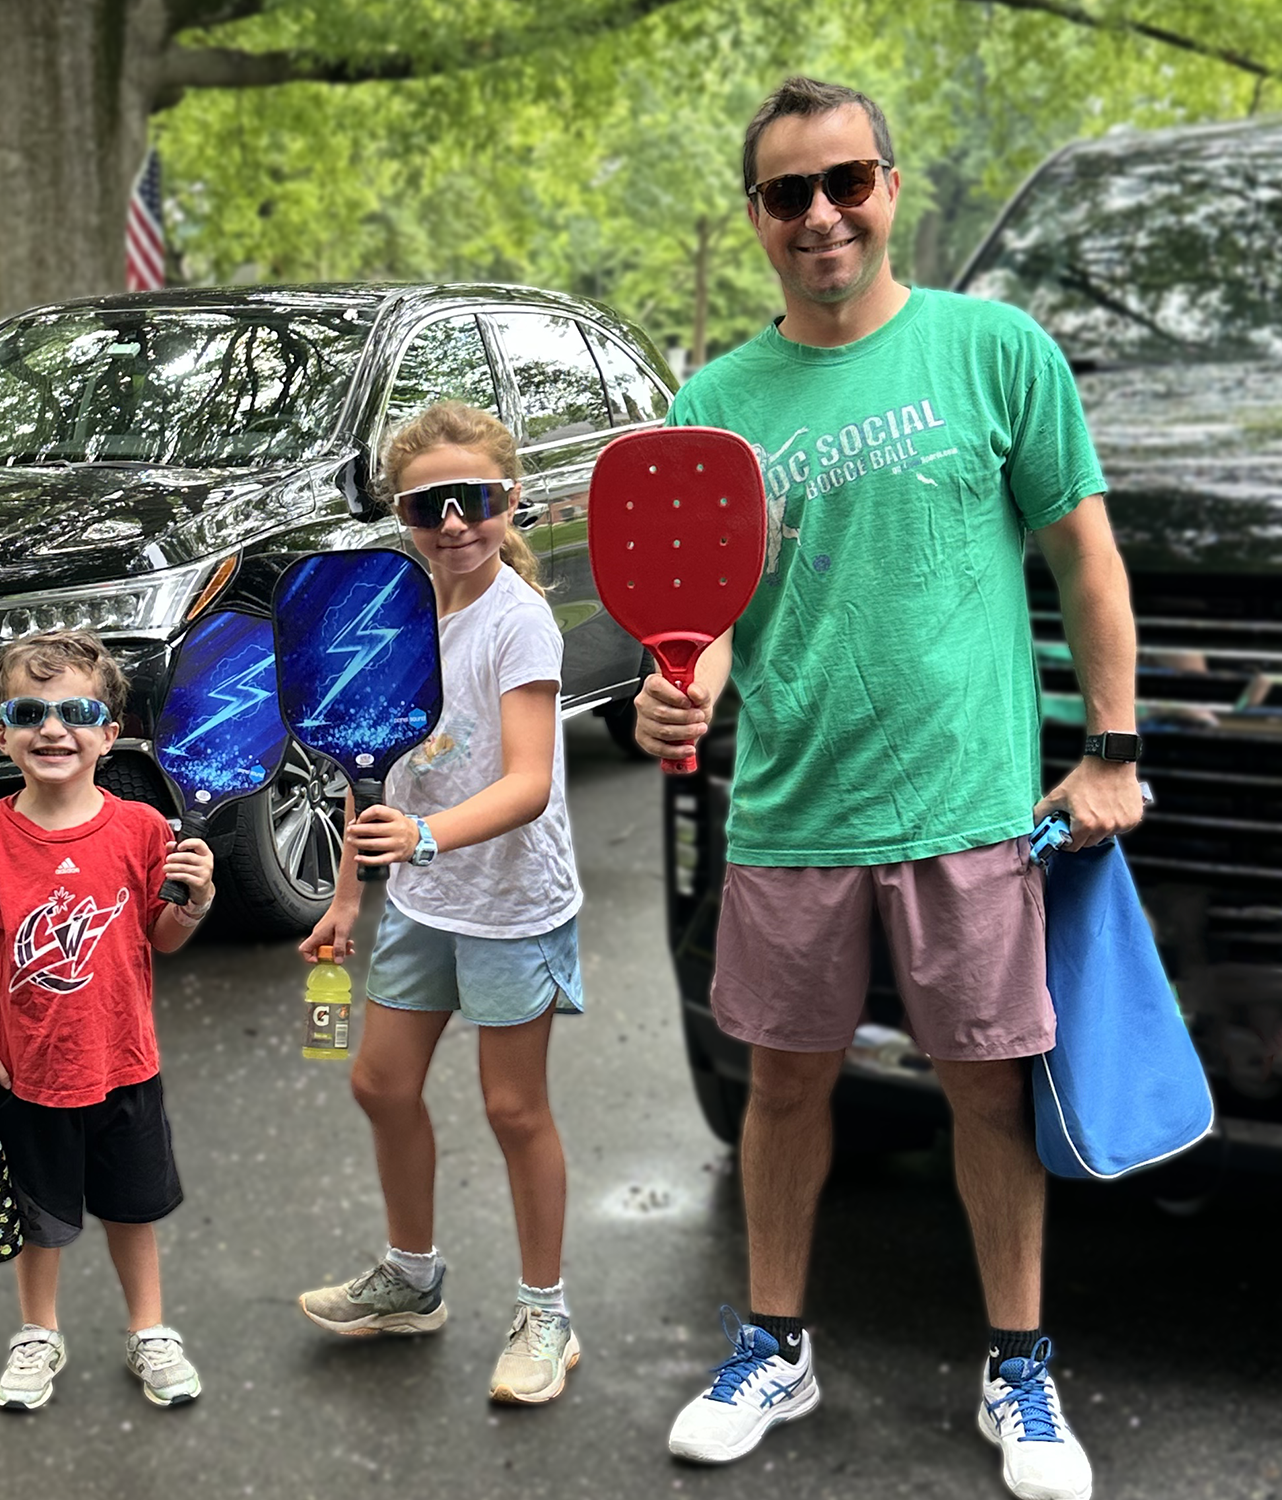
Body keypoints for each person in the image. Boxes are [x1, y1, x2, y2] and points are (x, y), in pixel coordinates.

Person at [637, 77, 1143, 1500]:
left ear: (891, 188)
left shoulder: (994, 352)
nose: (821, 214)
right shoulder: (717, 403)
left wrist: (1111, 748)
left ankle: (1021, 1371)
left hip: (972, 809)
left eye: (845, 180)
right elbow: (710, 610)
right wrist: (693, 684)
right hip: (794, 811)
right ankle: (773, 1345)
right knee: (785, 1089)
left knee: (988, 1097)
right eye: (789, 193)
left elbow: (1084, 557)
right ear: (756, 219)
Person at [296, 400, 584, 1406]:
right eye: (430, 504)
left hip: (511, 903)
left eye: (479, 498)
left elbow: (527, 782)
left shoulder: (518, 619)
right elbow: (361, 770)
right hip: (421, 901)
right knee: (377, 1082)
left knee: (514, 1109)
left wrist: (420, 839)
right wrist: (345, 897)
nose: (456, 521)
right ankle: (412, 1279)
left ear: (511, 502)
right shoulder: (390, 613)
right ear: (401, 514)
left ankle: (546, 1313)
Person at [0, 629, 215, 1412]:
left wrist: (194, 902)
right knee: (38, 1219)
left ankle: (149, 1330)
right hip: (26, 1073)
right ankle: (38, 1332)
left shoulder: (143, 830)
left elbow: (162, 936)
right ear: (2, 735)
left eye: (77, 712)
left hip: (125, 1064)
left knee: (132, 1210)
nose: (53, 729)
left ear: (108, 734)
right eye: (29, 711)